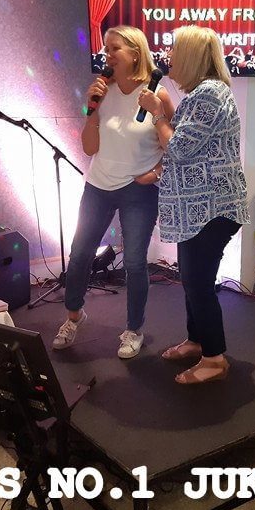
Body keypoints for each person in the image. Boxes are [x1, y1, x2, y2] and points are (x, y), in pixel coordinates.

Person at [52, 25, 174, 358]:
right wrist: (91, 109)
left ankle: (133, 329)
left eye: (114, 48)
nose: (107, 55)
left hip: (138, 189)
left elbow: (174, 146)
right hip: (98, 185)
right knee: (80, 254)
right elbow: (89, 148)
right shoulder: (101, 92)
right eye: (106, 49)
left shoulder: (157, 94)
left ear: (135, 53)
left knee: (134, 262)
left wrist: (157, 172)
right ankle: (73, 316)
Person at [138, 26, 249, 384]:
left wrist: (157, 114)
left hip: (212, 208)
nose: (168, 56)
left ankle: (214, 358)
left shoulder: (210, 95)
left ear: (191, 56)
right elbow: (188, 140)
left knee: (198, 281)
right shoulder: (202, 93)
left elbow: (179, 147)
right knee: (191, 278)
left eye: (174, 50)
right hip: (198, 209)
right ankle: (197, 340)